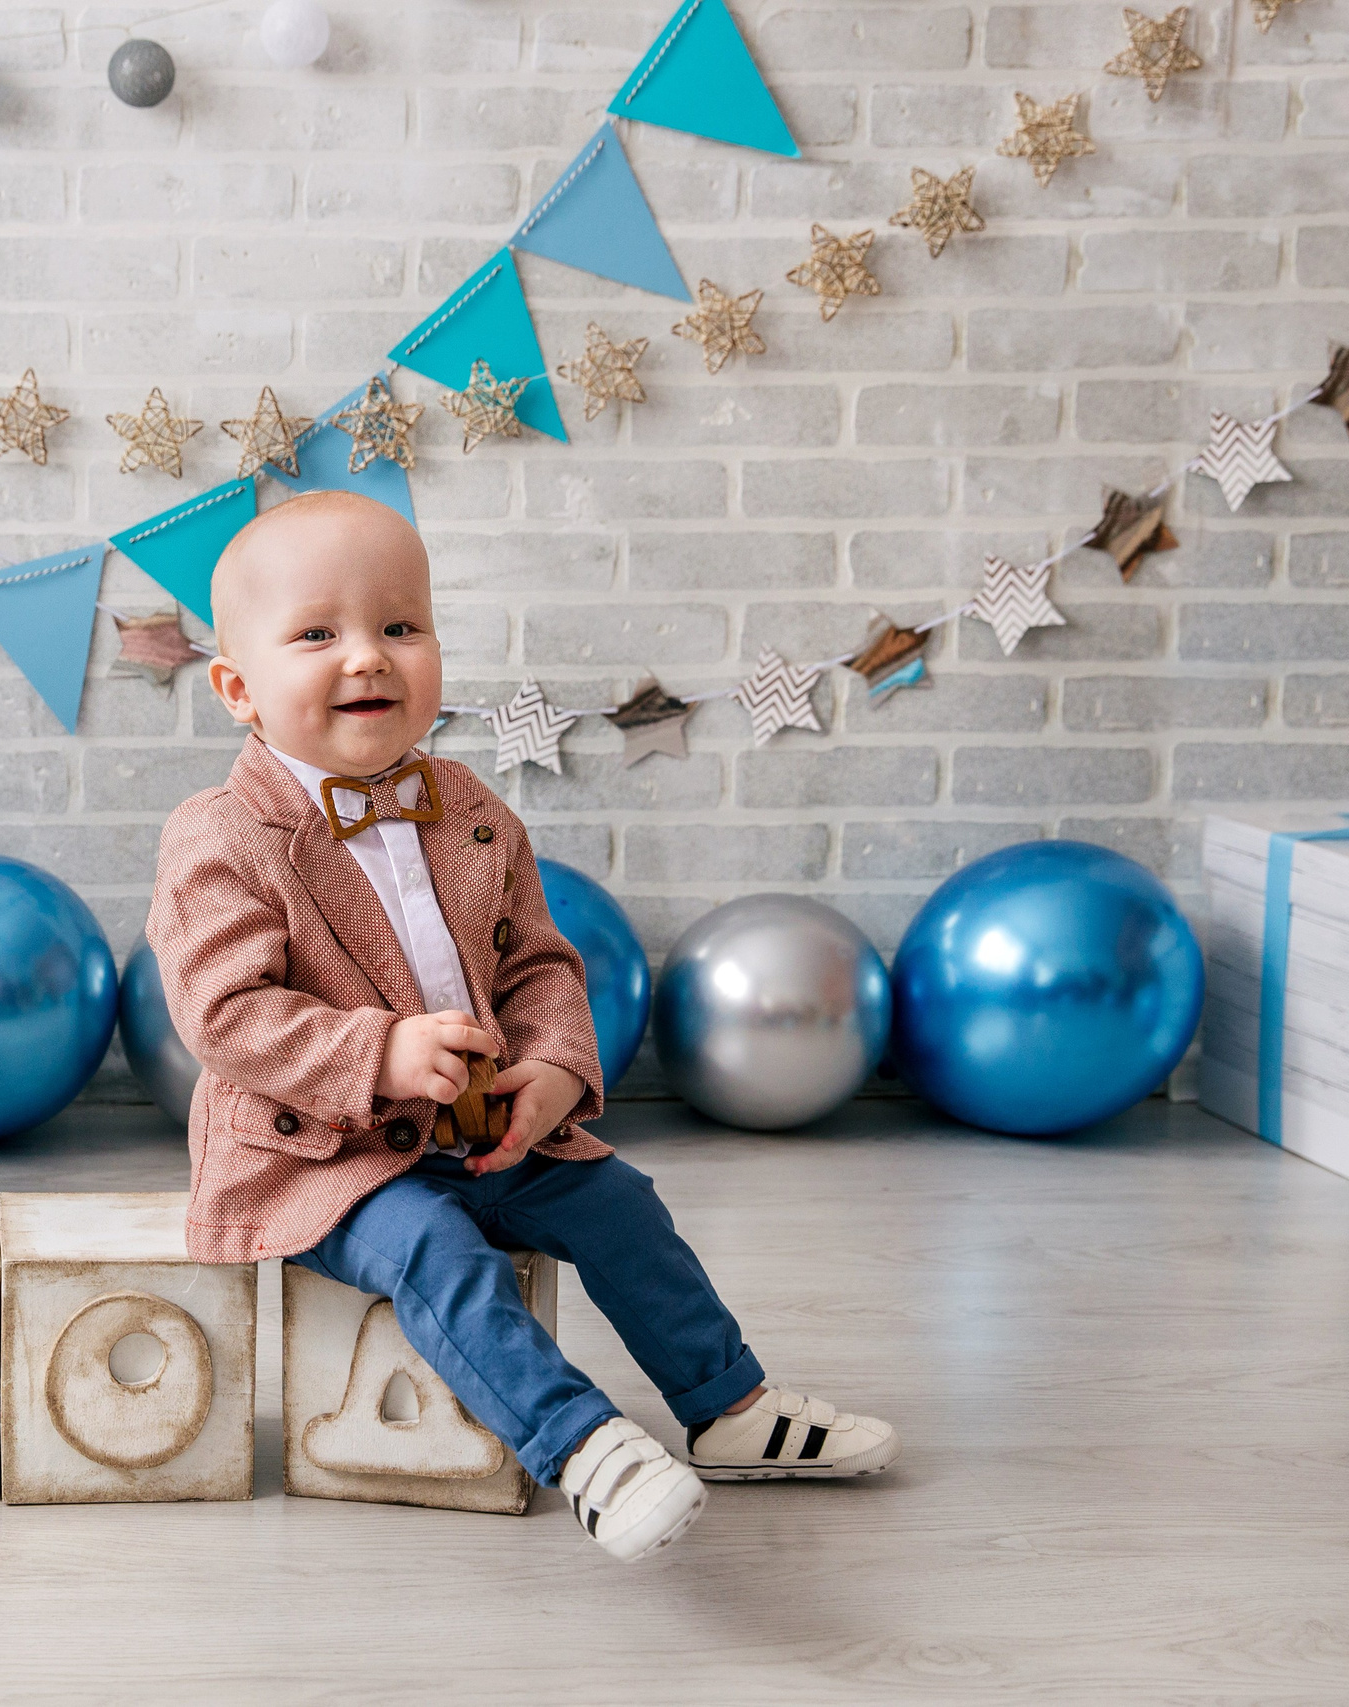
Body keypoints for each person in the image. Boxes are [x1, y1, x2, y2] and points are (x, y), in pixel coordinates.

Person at [146, 489, 898, 1562]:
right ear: (237, 689)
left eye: (399, 627)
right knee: (437, 1250)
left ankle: (727, 1406)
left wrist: (547, 1070)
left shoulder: (471, 808)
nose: (367, 659)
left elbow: (538, 964)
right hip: (325, 1155)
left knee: (618, 1203)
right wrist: (379, 1054)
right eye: (317, 634)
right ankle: (584, 1448)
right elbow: (225, 1015)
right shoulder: (222, 836)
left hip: (478, 1125)